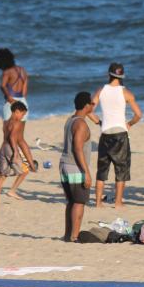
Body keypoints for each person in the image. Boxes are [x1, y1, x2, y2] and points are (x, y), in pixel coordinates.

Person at [91, 63, 142, 208]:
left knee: (102, 169)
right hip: (120, 133)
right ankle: (118, 202)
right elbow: (139, 114)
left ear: (108, 75)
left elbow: (89, 110)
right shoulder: (126, 93)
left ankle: (98, 202)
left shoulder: (101, 90)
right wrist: (130, 124)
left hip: (105, 133)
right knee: (121, 169)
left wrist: (99, 122)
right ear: (122, 76)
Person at [61, 91, 95, 242]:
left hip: (65, 165)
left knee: (71, 202)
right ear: (87, 105)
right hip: (75, 166)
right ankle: (74, 236)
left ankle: (68, 235)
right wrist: (86, 172)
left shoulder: (71, 120)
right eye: (92, 103)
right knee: (79, 202)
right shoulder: (81, 123)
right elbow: (78, 148)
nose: (93, 105)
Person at [0, 101, 37, 202]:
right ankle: (12, 190)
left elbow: (8, 136)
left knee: (3, 175)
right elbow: (14, 137)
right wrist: (16, 152)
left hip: (3, 148)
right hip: (11, 149)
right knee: (24, 171)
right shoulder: (17, 123)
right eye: (22, 114)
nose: (22, 117)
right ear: (17, 111)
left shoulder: (6, 122)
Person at [0, 48, 29, 121]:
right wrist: (23, 100)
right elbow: (25, 87)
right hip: (23, 101)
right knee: (20, 130)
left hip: (11, 102)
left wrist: (9, 98)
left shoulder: (7, 71)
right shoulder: (22, 70)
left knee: (8, 128)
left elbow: (2, 86)